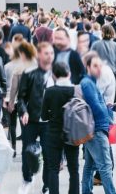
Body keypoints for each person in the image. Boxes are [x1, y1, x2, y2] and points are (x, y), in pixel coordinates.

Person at [17, 42, 55, 194]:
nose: (50, 56)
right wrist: (24, 111)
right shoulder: (30, 72)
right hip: (31, 120)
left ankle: (46, 185)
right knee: (27, 151)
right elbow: (21, 98)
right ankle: (27, 179)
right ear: (39, 55)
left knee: (48, 154)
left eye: (51, 53)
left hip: (49, 122)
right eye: (46, 53)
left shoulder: (57, 72)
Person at [81, 53, 116, 194]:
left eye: (100, 66)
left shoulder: (90, 82)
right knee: (105, 166)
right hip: (96, 129)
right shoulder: (87, 84)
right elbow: (96, 106)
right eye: (95, 66)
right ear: (88, 67)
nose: (99, 69)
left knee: (90, 165)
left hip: (94, 128)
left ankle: (86, 191)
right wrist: (107, 117)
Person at [41, 62, 79, 194]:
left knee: (53, 168)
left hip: (54, 133)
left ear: (54, 75)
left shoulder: (49, 92)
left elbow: (44, 115)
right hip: (72, 133)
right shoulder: (75, 90)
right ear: (69, 74)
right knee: (74, 169)